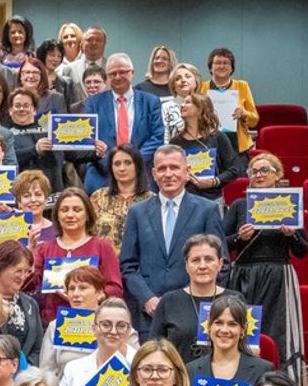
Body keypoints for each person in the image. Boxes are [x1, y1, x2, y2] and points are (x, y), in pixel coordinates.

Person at [120, 146, 224, 333]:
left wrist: (192, 298)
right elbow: (128, 266)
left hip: (195, 313)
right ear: (153, 174)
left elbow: (220, 263)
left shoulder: (207, 210)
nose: (168, 174)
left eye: (174, 167)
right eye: (162, 169)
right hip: (149, 316)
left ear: (187, 172)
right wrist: (147, 299)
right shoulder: (137, 212)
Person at [225, 151, 308, 377]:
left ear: (278, 175)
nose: (258, 175)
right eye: (254, 171)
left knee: (279, 334)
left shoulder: (288, 203)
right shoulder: (239, 205)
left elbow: (302, 251)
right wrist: (238, 238)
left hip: (279, 276)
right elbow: (221, 244)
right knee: (244, 332)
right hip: (244, 276)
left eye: (265, 170)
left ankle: (283, 383)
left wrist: (291, 235)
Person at [148, 233, 242, 362]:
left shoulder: (236, 299)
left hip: (224, 380)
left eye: (209, 259)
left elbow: (246, 346)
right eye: (196, 260)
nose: (202, 266)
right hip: (180, 378)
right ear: (187, 265)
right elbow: (153, 349)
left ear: (220, 264)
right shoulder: (169, 301)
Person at [34, 187, 125, 320]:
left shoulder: (102, 247)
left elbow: (116, 288)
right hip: (52, 322)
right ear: (57, 215)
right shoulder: (45, 249)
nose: (70, 215)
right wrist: (30, 252)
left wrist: (94, 296)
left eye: (77, 210)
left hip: (90, 322)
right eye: (64, 210)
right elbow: (30, 284)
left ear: (88, 215)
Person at [82, 54, 166, 192]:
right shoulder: (93, 103)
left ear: (132, 72)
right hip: (101, 176)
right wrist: (113, 163)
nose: (117, 76)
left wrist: (133, 162)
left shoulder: (151, 102)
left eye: (122, 72)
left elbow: (157, 138)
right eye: (113, 73)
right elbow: (89, 139)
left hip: (142, 176)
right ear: (107, 77)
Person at [57, 297, 138, 386]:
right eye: (106, 324)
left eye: (121, 325)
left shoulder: (142, 366)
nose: (113, 331)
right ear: (94, 329)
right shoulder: (73, 368)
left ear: (129, 330)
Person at [40, 265, 140, 376]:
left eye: (83, 288)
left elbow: (137, 366)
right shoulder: (55, 326)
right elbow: (47, 371)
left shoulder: (120, 326)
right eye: (72, 289)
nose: (76, 294)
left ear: (100, 293)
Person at [0, 241, 45, 364]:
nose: (23, 276)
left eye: (27, 271)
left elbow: (37, 349)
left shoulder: (31, 304)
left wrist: (23, 371)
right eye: (18, 271)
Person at [171, 91, 241, 202]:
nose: (182, 105)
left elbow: (234, 169)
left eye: (188, 102)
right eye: (183, 102)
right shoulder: (175, 142)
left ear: (200, 108)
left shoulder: (218, 137)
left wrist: (214, 181)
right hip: (183, 199)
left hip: (213, 199)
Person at [89, 144, 153, 254]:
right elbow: (88, 233)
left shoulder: (152, 200)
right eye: (117, 164)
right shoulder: (97, 197)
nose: (122, 168)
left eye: (128, 163)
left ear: (137, 166)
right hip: (103, 261)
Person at [201, 48, 259, 159]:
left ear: (232, 67)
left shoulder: (242, 86)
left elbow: (254, 121)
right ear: (210, 67)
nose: (222, 66)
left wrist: (244, 113)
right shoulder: (201, 87)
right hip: (209, 143)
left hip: (237, 145)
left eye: (226, 63)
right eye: (217, 63)